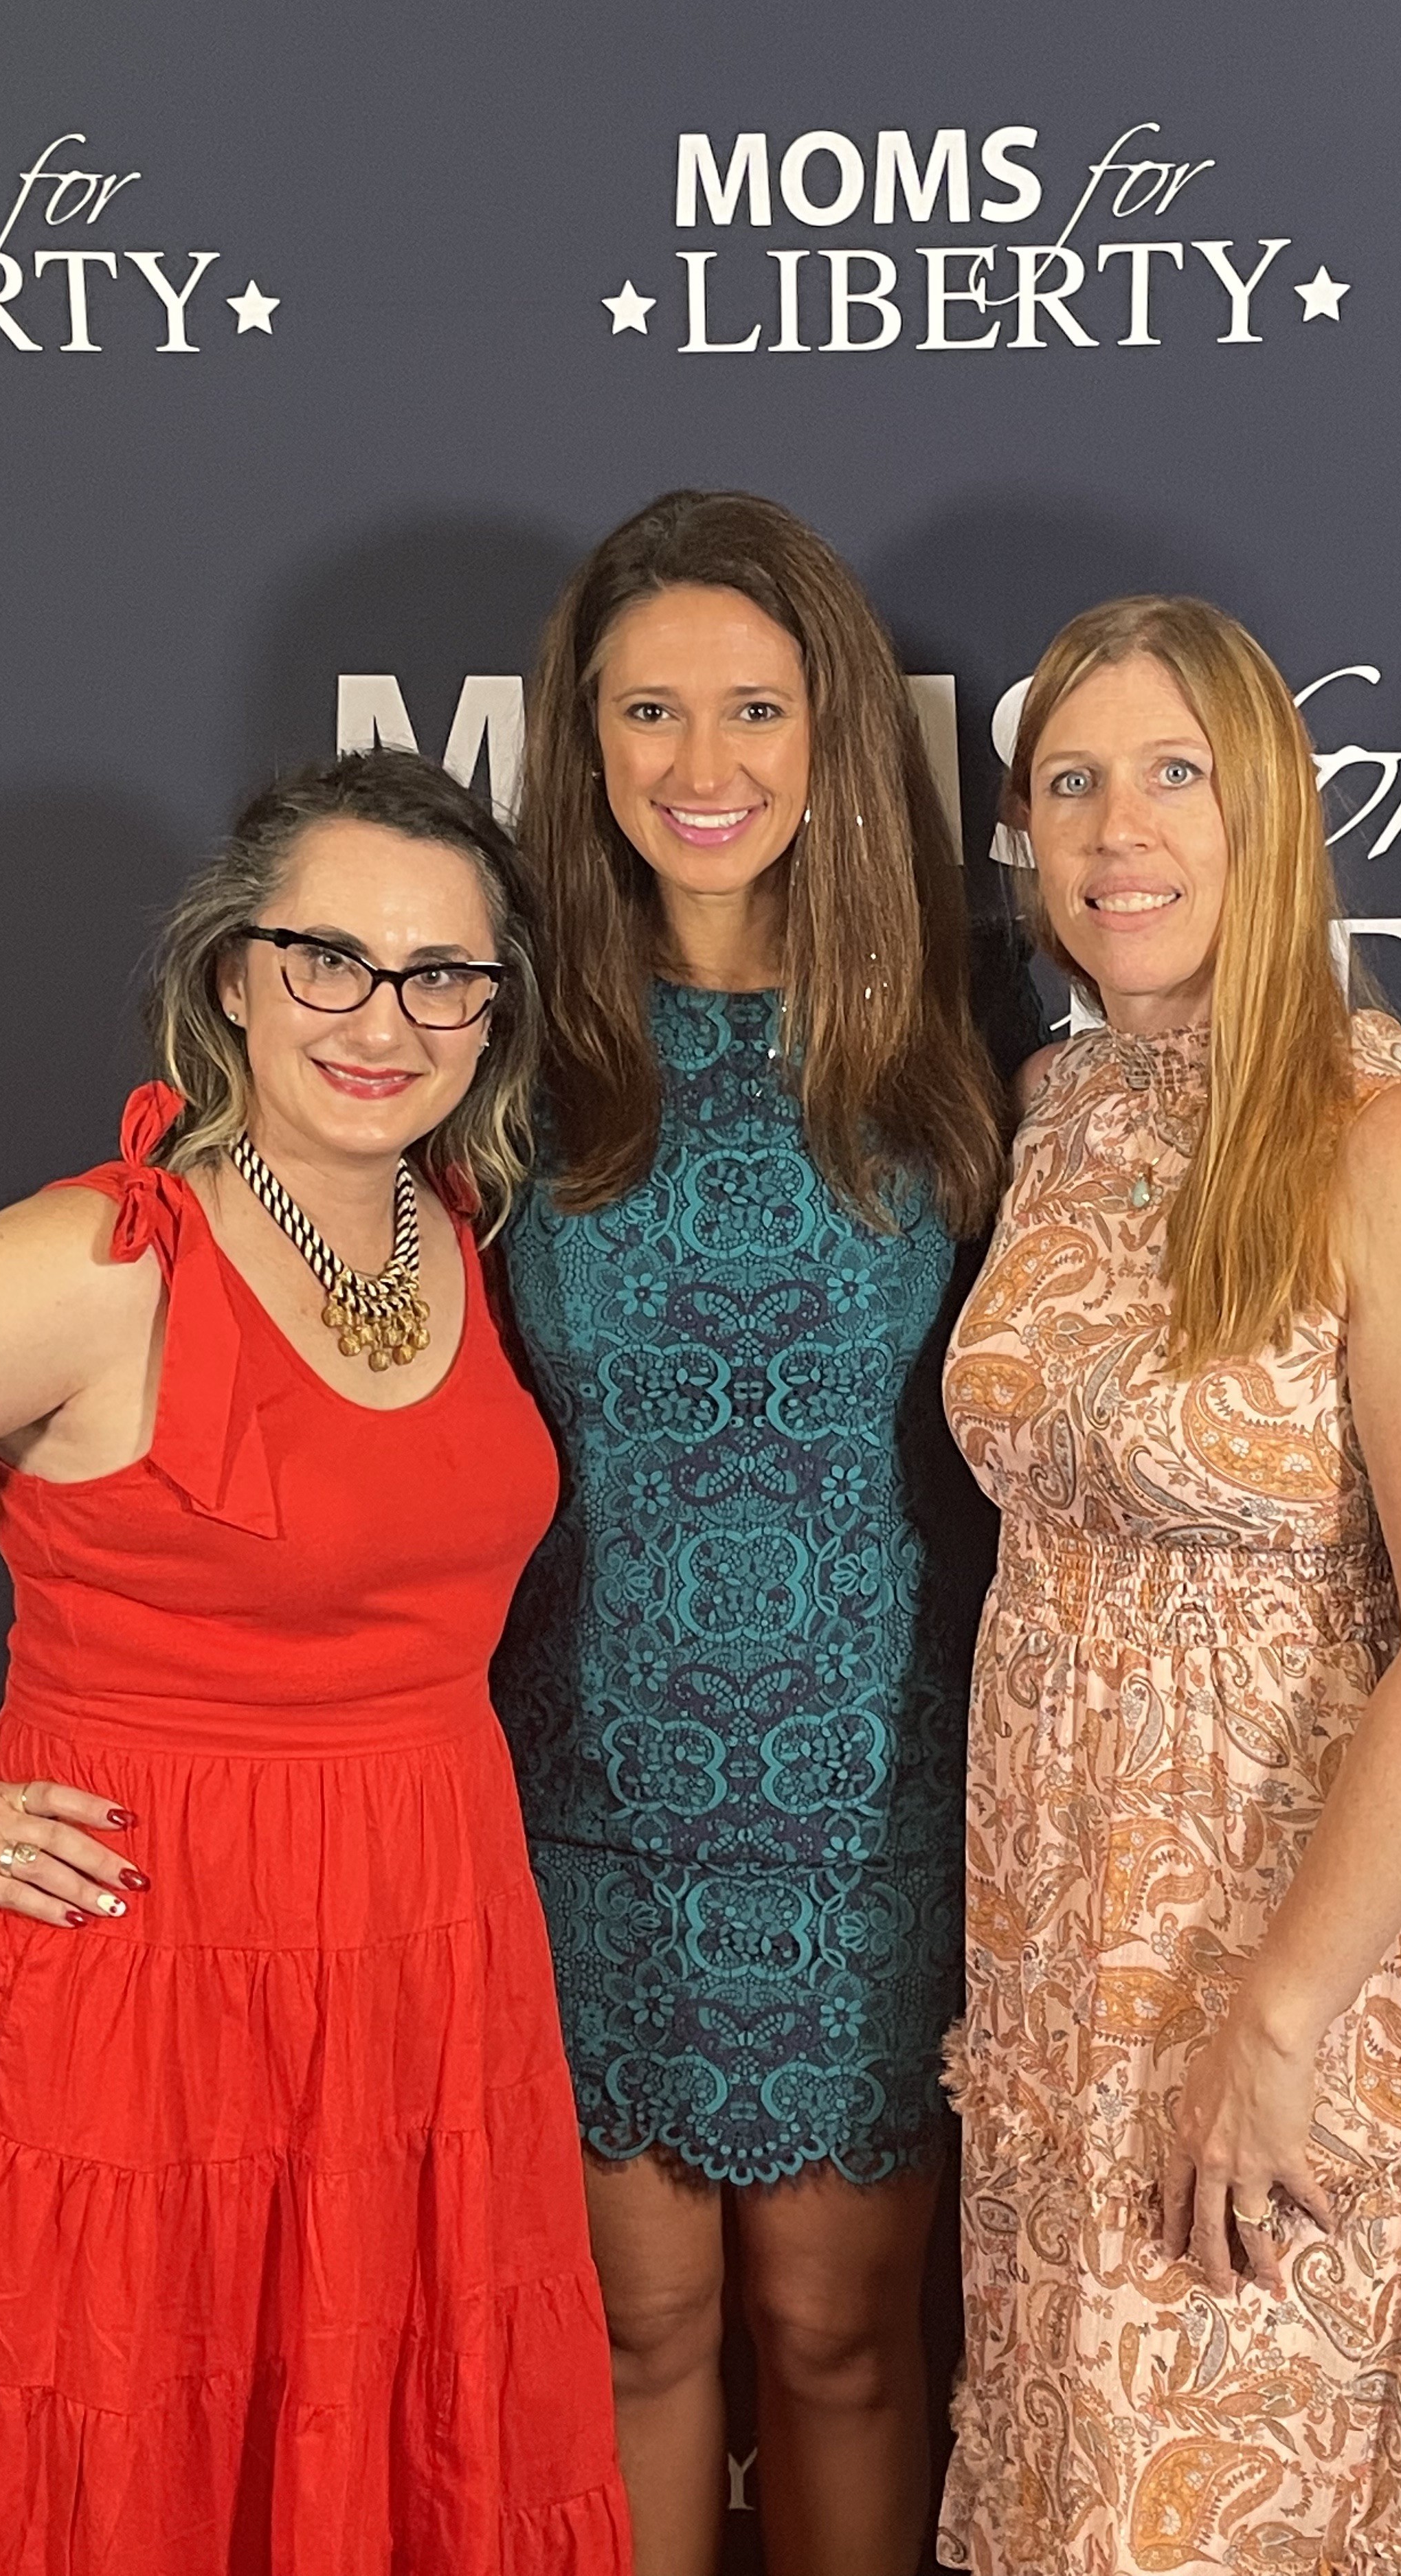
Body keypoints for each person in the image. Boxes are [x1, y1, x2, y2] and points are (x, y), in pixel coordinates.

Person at [0, 751, 631, 2576]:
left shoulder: (461, 1231)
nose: (382, 1020)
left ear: (494, 1012)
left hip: (421, 1991)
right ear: (233, 974)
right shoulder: (102, 1263)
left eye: (442, 976)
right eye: (329, 959)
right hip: (132, 2014)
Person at [937, 595, 1401, 2575]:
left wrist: (1274, 2024)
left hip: (1296, 1958)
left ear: (1269, 811)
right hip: (1059, 1962)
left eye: (1174, 774)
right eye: (1072, 782)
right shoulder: (1055, 1113)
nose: (1118, 831)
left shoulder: (1396, 1141)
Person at [491, 489, 1011, 2576]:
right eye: (649, 713)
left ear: (834, 735)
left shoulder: (962, 1054)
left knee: (842, 2342)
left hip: (866, 1808)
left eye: (755, 710)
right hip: (581, 1806)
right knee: (634, 2336)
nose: (701, 767)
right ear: (585, 741)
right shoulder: (503, 1055)